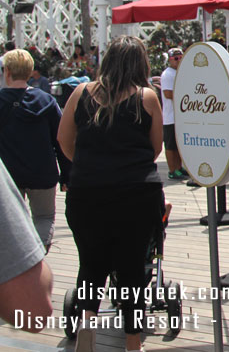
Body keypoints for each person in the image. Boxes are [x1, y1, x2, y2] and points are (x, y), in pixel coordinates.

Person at [56, 35, 165, 352]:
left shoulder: (80, 93)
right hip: (135, 193)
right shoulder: (147, 97)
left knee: (90, 263)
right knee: (132, 267)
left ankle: (87, 329)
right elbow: (154, 147)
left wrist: (92, 164)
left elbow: (64, 141)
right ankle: (133, 342)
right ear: (140, 64)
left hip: (87, 191)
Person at [0, 49, 69, 251]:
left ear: (7, 72)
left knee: (10, 222)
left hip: (9, 176)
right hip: (42, 173)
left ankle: (20, 260)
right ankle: (38, 253)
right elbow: (60, 140)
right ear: (31, 72)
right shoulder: (46, 101)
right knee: (44, 217)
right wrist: (67, 175)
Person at [0, 159, 53, 332]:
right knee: (44, 217)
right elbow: (34, 311)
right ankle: (35, 255)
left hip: (15, 169)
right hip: (41, 171)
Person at [161, 47, 186, 179]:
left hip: (181, 117)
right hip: (171, 117)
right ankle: (172, 170)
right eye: (176, 58)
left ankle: (179, 167)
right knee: (170, 146)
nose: (178, 60)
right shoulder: (167, 74)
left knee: (178, 145)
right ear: (170, 60)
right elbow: (168, 93)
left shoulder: (183, 72)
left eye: (181, 57)